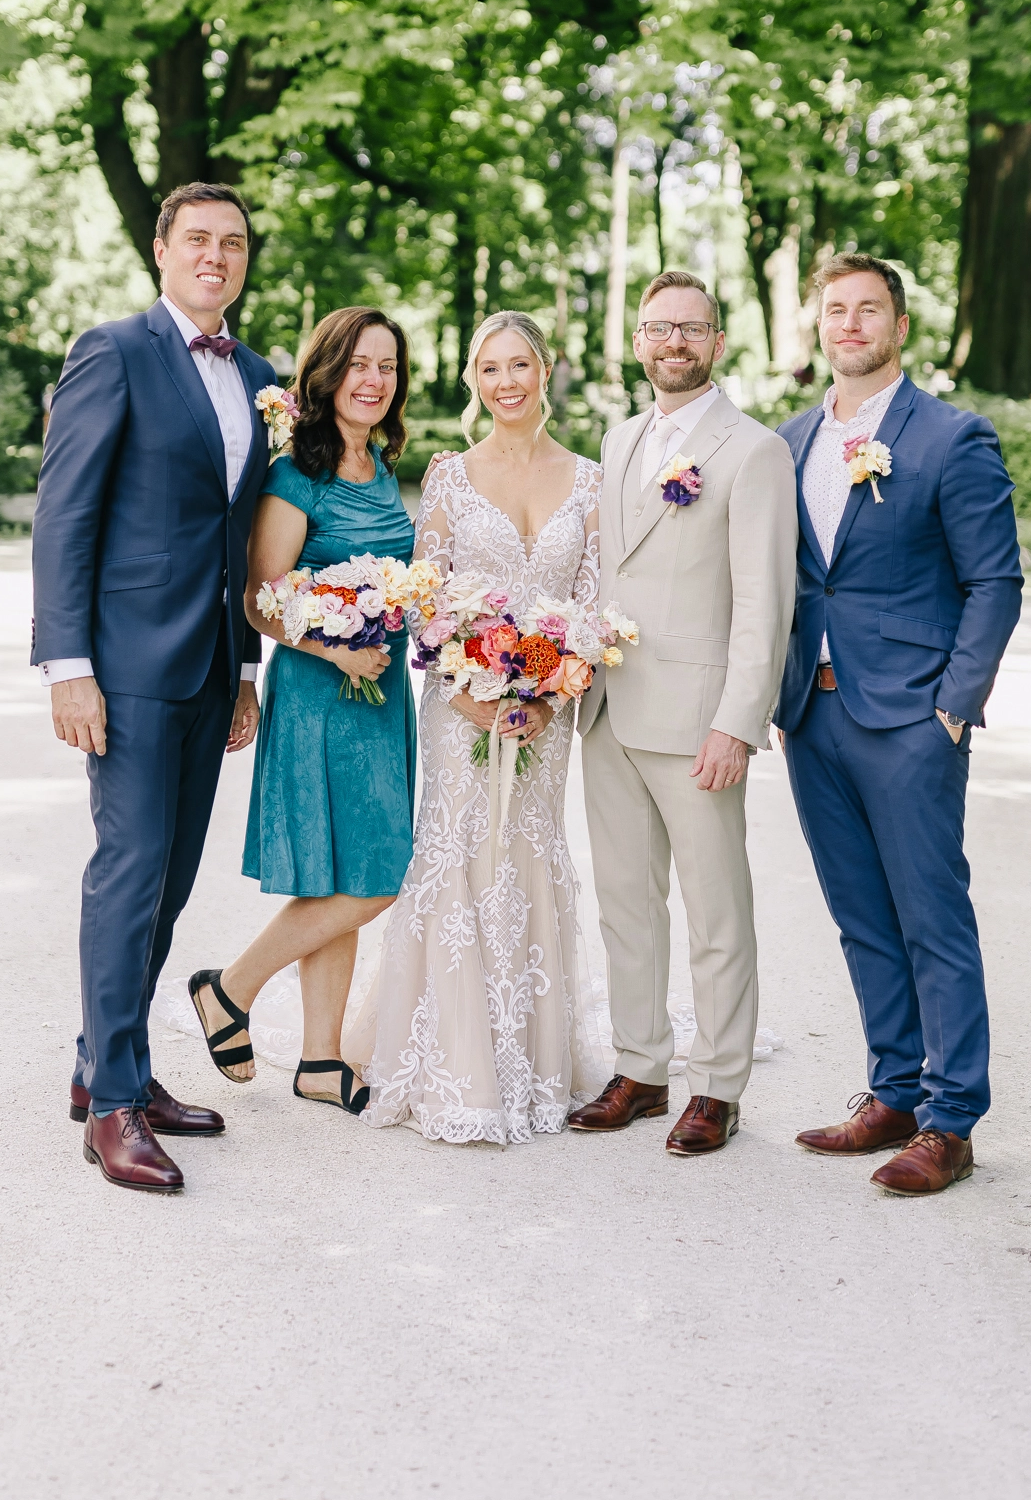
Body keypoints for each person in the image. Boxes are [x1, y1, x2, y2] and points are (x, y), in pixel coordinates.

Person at [31, 182, 275, 1195]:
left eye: (234, 243)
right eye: (198, 239)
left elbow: (242, 534)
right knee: (129, 872)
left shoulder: (258, 376)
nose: (216, 255)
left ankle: (104, 1062)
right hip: (126, 666)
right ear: (162, 251)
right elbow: (65, 513)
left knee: (171, 879)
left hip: (212, 664)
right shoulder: (113, 351)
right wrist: (68, 667)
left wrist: (247, 668)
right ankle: (116, 1109)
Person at [775, 253, 1022, 1196]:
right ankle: (895, 1093)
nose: (850, 324)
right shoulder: (790, 441)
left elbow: (994, 581)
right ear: (819, 326)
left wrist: (953, 707)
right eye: (835, 309)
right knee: (861, 918)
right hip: (813, 712)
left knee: (930, 915)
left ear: (899, 326)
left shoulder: (953, 437)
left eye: (868, 309)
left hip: (913, 716)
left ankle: (952, 1120)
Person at [361, 311, 603, 1144]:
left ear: (546, 370)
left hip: (545, 712)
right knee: (462, 851)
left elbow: (592, 609)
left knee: (528, 853)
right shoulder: (450, 479)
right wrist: (467, 691)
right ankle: (457, 1068)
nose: (506, 383)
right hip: (460, 707)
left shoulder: (591, 482)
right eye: (490, 369)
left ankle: (531, 1061)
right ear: (474, 380)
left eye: (520, 366)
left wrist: (549, 696)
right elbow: (424, 601)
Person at [570, 271, 798, 1156]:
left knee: (715, 910)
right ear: (638, 341)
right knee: (626, 903)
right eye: (659, 327)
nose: (674, 342)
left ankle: (718, 1085)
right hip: (609, 708)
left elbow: (765, 600)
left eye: (691, 329)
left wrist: (738, 721)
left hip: (698, 718)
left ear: (718, 343)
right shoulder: (620, 437)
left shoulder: (753, 451)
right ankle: (640, 1069)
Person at [189, 308, 416, 1116]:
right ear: (327, 372)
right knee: (381, 878)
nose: (372, 379)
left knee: (345, 875)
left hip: (382, 695)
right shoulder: (296, 473)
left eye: (387, 366)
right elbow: (259, 596)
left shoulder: (381, 464)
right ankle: (230, 987)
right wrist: (335, 649)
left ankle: (321, 1059)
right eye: (358, 364)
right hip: (324, 695)